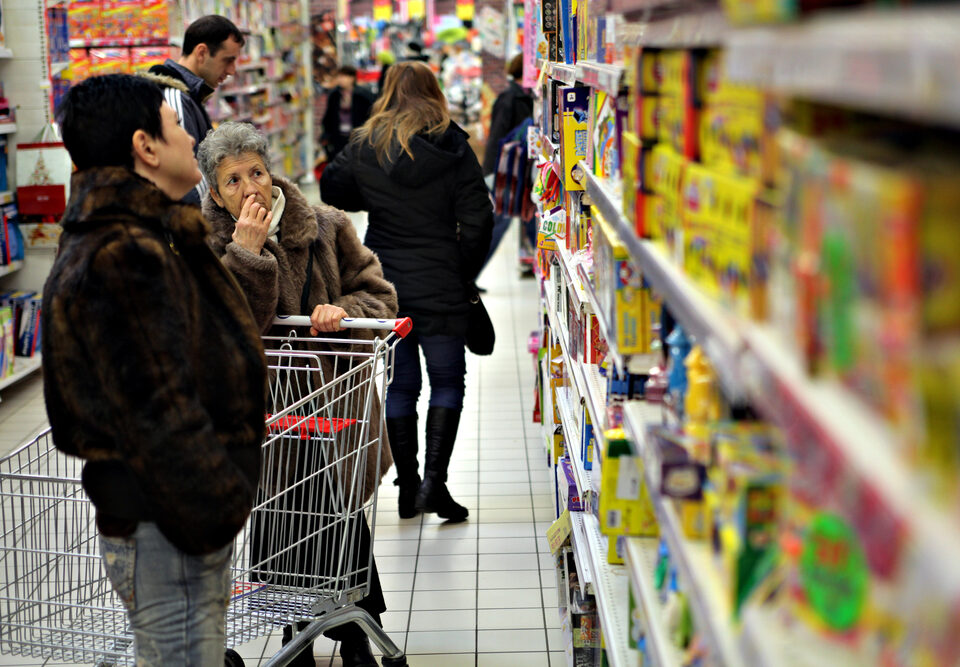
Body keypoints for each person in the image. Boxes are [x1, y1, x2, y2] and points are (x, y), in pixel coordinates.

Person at [42, 74, 267, 666]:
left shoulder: (143, 236)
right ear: (145, 147)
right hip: (169, 519)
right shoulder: (124, 254)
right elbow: (156, 411)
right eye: (176, 127)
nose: (193, 139)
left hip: (166, 515)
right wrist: (219, 506)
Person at [198, 121, 398, 667]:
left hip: (334, 404)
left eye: (256, 172)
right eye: (233, 180)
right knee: (278, 519)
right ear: (215, 194)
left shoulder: (327, 227)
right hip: (261, 411)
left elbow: (378, 295)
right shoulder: (204, 244)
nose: (250, 189)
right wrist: (245, 253)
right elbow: (220, 325)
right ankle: (296, 635)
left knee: (338, 515)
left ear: (273, 172)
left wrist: (345, 313)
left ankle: (358, 631)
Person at [320, 61, 494, 523]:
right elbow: (479, 220)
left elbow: (331, 186)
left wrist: (374, 196)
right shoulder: (453, 144)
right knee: (447, 382)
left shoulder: (364, 142)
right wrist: (462, 269)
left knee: (400, 386)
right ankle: (435, 483)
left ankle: (408, 486)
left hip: (386, 282)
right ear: (434, 91)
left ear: (386, 92)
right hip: (442, 281)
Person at [141, 15, 245, 204]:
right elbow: (181, 177)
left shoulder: (189, 96)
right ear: (202, 52)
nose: (232, 70)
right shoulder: (174, 98)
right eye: (227, 60)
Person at [481, 52, 534, 269]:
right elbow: (497, 137)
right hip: (506, 173)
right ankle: (468, 280)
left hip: (520, 172)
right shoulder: (510, 98)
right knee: (498, 225)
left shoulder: (525, 95)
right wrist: (492, 174)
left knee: (530, 220)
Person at [320, 65, 375, 163]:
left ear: (352, 78)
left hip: (358, 137)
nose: (341, 79)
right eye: (339, 76)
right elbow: (329, 116)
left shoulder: (363, 95)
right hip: (338, 136)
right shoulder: (334, 95)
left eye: (344, 76)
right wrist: (326, 135)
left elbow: (371, 115)